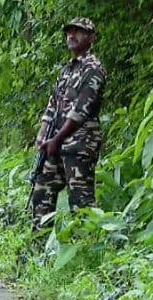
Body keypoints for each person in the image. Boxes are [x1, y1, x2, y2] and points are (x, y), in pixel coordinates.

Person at [31, 17, 105, 229]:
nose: (71, 36)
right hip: (55, 142)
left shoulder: (94, 69)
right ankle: (39, 246)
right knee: (41, 189)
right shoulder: (66, 70)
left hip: (80, 145)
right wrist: (43, 134)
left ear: (90, 38)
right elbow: (52, 104)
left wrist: (56, 139)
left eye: (78, 32)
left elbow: (80, 112)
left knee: (81, 202)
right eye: (69, 32)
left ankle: (86, 250)